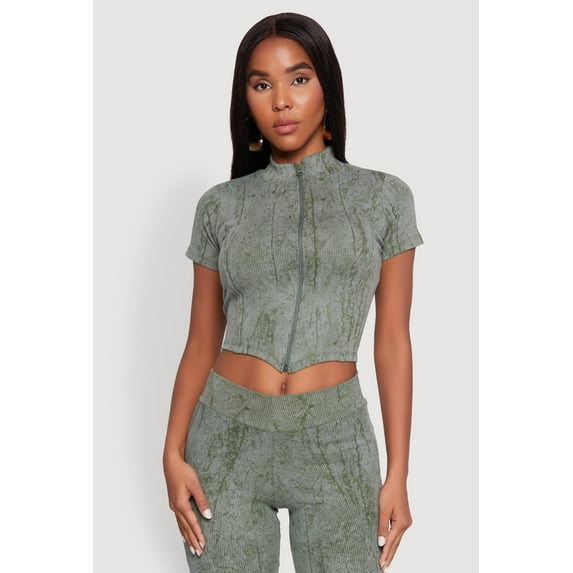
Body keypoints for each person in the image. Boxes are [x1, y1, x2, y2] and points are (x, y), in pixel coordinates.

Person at [163, 12, 423, 573]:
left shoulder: (383, 199)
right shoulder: (221, 206)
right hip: (225, 440)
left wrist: (398, 472)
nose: (281, 100)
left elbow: (393, 342)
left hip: (336, 442)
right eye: (262, 85)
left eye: (298, 79)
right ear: (246, 100)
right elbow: (201, 341)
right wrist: (172, 453)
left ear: (327, 86)